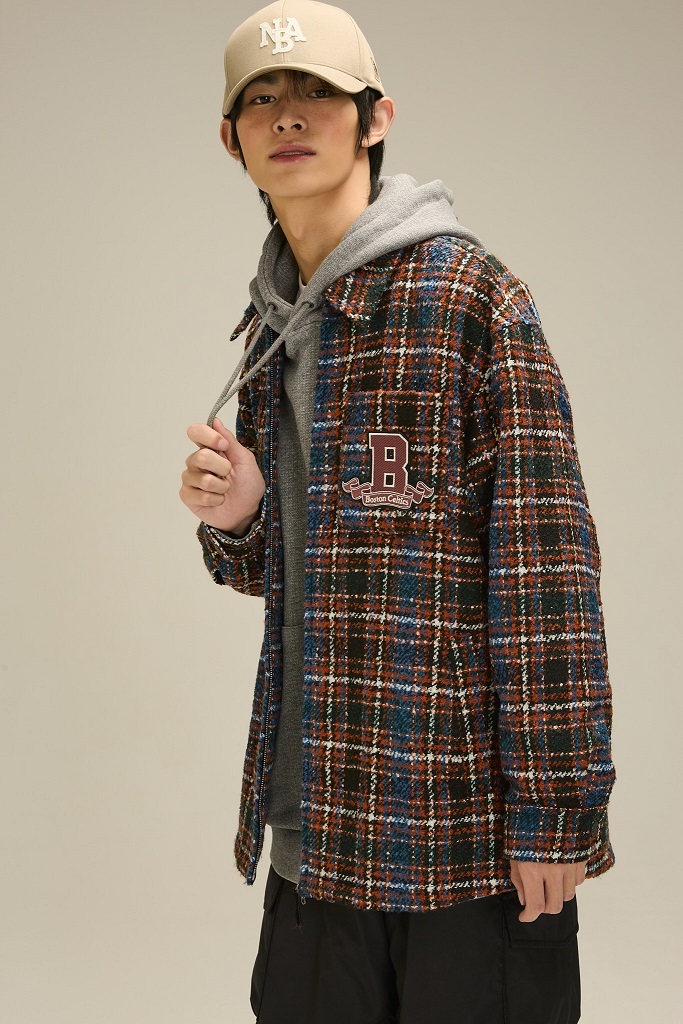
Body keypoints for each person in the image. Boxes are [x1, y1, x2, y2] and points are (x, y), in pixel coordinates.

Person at [178, 2, 617, 1021]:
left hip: (457, 841)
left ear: (375, 117)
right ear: (231, 139)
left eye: (317, 94)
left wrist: (555, 811)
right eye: (261, 100)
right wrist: (244, 516)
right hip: (315, 828)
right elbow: (301, 575)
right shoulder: (274, 321)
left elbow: (547, 572)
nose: (289, 116)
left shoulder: (471, 302)